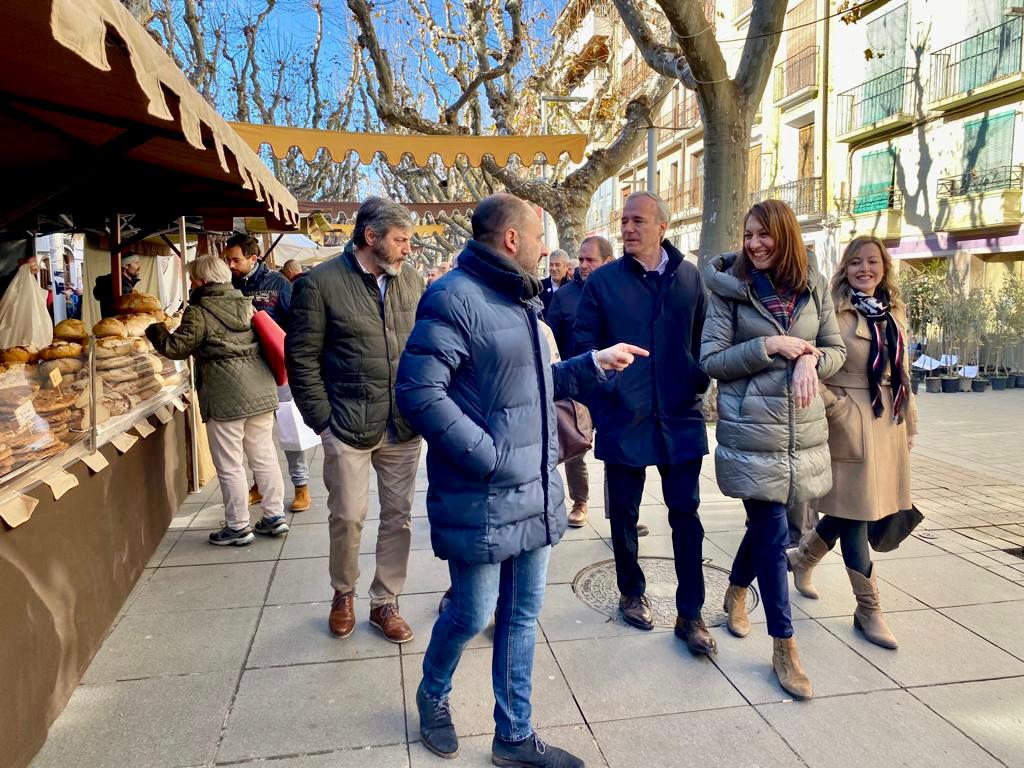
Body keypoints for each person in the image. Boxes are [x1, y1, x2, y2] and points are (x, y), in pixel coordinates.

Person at [396, 192, 646, 767]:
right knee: (471, 612)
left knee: (522, 616)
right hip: (486, 493)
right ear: (512, 239)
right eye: (540, 238)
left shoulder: (520, 300)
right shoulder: (452, 297)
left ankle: (514, 735)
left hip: (533, 491)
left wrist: (589, 365)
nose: (546, 249)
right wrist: (488, 456)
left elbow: (527, 380)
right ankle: (433, 693)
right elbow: (417, 392)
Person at [700, 199, 846, 701]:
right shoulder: (729, 292)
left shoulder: (813, 284)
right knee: (770, 528)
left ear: (785, 237)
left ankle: (738, 590)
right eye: (749, 235)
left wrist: (812, 361)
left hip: (802, 431)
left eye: (765, 235)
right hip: (752, 431)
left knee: (774, 525)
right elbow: (712, 360)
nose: (756, 244)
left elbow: (835, 349)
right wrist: (771, 347)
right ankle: (784, 645)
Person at [574, 191, 714, 655]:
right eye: (624, 220)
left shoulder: (689, 278)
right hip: (624, 415)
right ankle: (631, 592)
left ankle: (690, 613)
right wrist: (609, 392)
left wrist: (696, 377)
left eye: (638, 221)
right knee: (625, 516)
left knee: (686, 516)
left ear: (662, 228)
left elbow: (702, 338)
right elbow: (583, 349)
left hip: (678, 414)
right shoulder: (603, 283)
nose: (628, 228)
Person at [287, 197, 424, 644]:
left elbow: (424, 348)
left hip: (402, 424)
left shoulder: (413, 282)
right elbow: (301, 357)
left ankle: (386, 601)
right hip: (346, 424)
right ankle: (342, 594)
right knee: (347, 516)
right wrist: (321, 423)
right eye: (401, 240)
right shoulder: (320, 283)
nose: (408, 249)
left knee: (398, 517)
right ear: (371, 237)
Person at [787, 235, 917, 650]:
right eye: (857, 262)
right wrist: (836, 408)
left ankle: (801, 558)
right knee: (858, 515)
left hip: (888, 422)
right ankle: (869, 609)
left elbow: (902, 370)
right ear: (846, 267)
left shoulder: (893, 310)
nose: (866, 269)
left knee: (849, 512)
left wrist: (910, 423)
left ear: (884, 267)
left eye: (873, 262)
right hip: (851, 423)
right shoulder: (834, 311)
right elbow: (809, 362)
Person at [146, 256, 289, 546]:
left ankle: (238, 526)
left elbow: (176, 348)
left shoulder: (199, 311)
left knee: (230, 463)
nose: (190, 283)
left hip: (225, 394)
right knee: (263, 454)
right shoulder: (245, 302)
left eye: (192, 279)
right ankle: (274, 516)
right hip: (260, 388)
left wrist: (155, 328)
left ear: (200, 280)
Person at [225, 234, 309, 512]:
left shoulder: (278, 284)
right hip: (246, 371)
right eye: (228, 260)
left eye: (236, 259)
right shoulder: (228, 286)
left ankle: (301, 486)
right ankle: (260, 485)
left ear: (253, 258)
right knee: (254, 434)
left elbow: (297, 323)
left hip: (279, 367)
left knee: (289, 426)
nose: (231, 265)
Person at [545, 235, 614, 527]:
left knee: (616, 450)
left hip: (613, 385)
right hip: (576, 386)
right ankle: (580, 501)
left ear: (607, 262)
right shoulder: (564, 296)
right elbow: (552, 340)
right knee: (575, 446)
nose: (583, 266)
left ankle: (622, 510)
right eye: (581, 259)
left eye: (591, 260)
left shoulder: (619, 292)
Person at [93, 252, 141, 318]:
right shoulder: (112, 284)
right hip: (114, 325)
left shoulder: (126, 283)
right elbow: (111, 312)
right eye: (136, 262)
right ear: (125, 265)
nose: (139, 266)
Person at [540, 248, 571, 317]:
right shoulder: (540, 287)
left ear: (566, 267)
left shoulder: (573, 289)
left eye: (557, 265)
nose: (553, 268)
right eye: (551, 265)